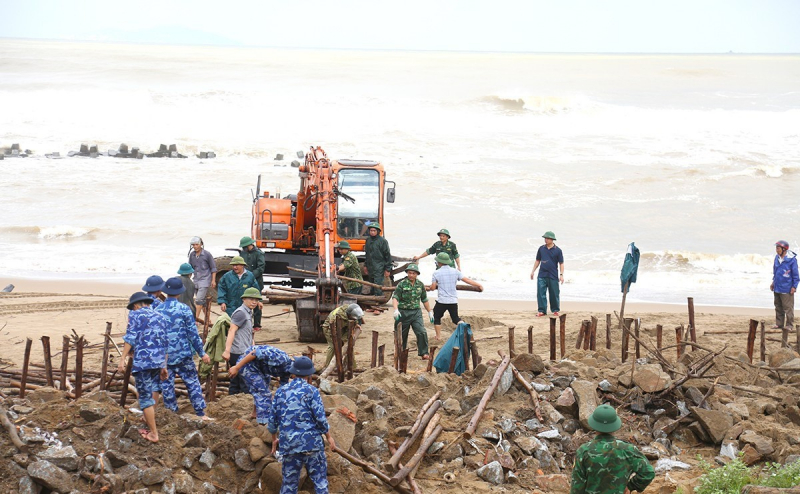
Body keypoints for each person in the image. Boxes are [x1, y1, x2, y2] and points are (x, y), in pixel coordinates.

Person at [268, 356, 336, 494]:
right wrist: (329, 437)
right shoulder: (312, 391)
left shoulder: (281, 391)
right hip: (312, 444)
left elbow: (272, 420)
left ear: (293, 373)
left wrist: (274, 438)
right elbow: (320, 418)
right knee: (320, 482)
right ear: (310, 374)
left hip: (289, 445)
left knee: (289, 484)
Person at [157, 277, 212, 421]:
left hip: (165, 357)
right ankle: (200, 412)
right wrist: (202, 353)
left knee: (166, 385)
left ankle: (172, 414)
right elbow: (193, 334)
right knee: (192, 382)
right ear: (179, 293)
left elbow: (154, 336)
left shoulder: (157, 310)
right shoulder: (184, 309)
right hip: (183, 354)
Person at [118, 292, 169, 443]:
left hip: (143, 362)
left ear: (135, 305)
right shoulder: (160, 316)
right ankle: (148, 421)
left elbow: (130, 338)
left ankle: (154, 433)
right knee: (153, 390)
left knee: (145, 398)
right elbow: (165, 342)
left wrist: (122, 358)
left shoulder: (135, 315)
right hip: (158, 361)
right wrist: (164, 365)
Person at [570, 404, 654, 494]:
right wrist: (631, 486)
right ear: (615, 425)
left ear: (593, 424)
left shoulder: (583, 451)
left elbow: (577, 487)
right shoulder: (628, 450)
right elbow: (648, 472)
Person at [228, 344, 293, 425]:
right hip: (248, 364)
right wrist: (237, 367)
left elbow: (282, 391)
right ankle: (263, 422)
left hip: (261, 367)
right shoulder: (280, 359)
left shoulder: (287, 372)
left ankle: (255, 414)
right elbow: (254, 353)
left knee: (263, 388)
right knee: (264, 394)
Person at [428, 252, 483, 341]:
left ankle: (438, 336)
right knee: (455, 318)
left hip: (442, 300)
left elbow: (433, 287)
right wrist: (478, 285)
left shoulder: (436, 273)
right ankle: (465, 329)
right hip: (453, 300)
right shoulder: (455, 271)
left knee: (437, 317)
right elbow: (467, 280)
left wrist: (430, 288)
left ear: (439, 262)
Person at [222, 287, 263, 395]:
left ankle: (232, 402)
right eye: (251, 299)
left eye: (256, 300)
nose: (254, 302)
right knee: (243, 381)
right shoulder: (240, 312)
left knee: (236, 381)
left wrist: (252, 347)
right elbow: (231, 330)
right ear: (244, 299)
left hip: (245, 351)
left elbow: (248, 333)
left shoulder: (249, 312)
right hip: (238, 352)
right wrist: (227, 350)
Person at [391, 263, 434, 360]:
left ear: (417, 274)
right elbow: (395, 297)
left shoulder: (420, 285)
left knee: (421, 331)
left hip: (416, 312)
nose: (411, 275)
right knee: (401, 334)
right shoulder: (402, 284)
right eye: (409, 273)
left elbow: (424, 299)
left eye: (413, 273)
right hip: (403, 312)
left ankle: (424, 353)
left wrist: (430, 312)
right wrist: (396, 309)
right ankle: (400, 351)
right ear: (407, 273)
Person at [530, 231, 564, 317]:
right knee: (541, 293)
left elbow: (561, 263)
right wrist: (533, 271)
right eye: (545, 238)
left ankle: (555, 310)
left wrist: (561, 275)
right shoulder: (541, 249)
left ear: (552, 239)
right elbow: (538, 260)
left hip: (553, 275)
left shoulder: (558, 250)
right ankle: (542, 310)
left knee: (554, 293)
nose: (546, 240)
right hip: (542, 274)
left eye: (547, 238)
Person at [321, 303, 364, 370]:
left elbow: (355, 319)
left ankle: (352, 366)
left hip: (344, 328)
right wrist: (338, 341)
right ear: (349, 315)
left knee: (349, 345)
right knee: (333, 347)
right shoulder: (337, 317)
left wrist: (356, 324)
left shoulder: (351, 311)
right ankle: (327, 367)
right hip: (330, 329)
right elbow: (332, 330)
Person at [240, 236, 266, 331]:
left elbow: (261, 268)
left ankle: (257, 324)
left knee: (256, 303)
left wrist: (250, 275)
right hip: (245, 281)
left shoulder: (259, 254)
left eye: (245, 247)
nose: (244, 249)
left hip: (257, 282)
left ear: (250, 245)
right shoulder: (243, 253)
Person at [188, 236, 217, 320]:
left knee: (198, 300)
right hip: (195, 280)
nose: (195, 246)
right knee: (202, 302)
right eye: (193, 245)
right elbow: (190, 268)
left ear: (201, 244)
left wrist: (213, 280)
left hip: (205, 280)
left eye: (197, 244)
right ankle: (208, 320)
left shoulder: (207, 254)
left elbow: (213, 268)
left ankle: (194, 319)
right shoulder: (192, 255)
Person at [772, 240, 799, 330]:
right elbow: (775, 272)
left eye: (778, 248)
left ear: (784, 249)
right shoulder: (777, 258)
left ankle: (789, 325)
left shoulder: (792, 260)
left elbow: (796, 275)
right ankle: (779, 324)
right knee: (778, 306)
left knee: (788, 308)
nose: (777, 250)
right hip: (777, 286)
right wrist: (773, 282)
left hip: (787, 288)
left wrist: (794, 287)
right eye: (776, 248)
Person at [364, 222, 392, 296]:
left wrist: (388, 269)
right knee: (371, 284)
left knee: (378, 284)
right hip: (370, 266)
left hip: (379, 266)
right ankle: (372, 299)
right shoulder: (368, 240)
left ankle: (378, 299)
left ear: (378, 231)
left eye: (374, 231)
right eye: (371, 230)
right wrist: (365, 265)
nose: (372, 232)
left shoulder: (383, 241)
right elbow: (367, 254)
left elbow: (387, 255)